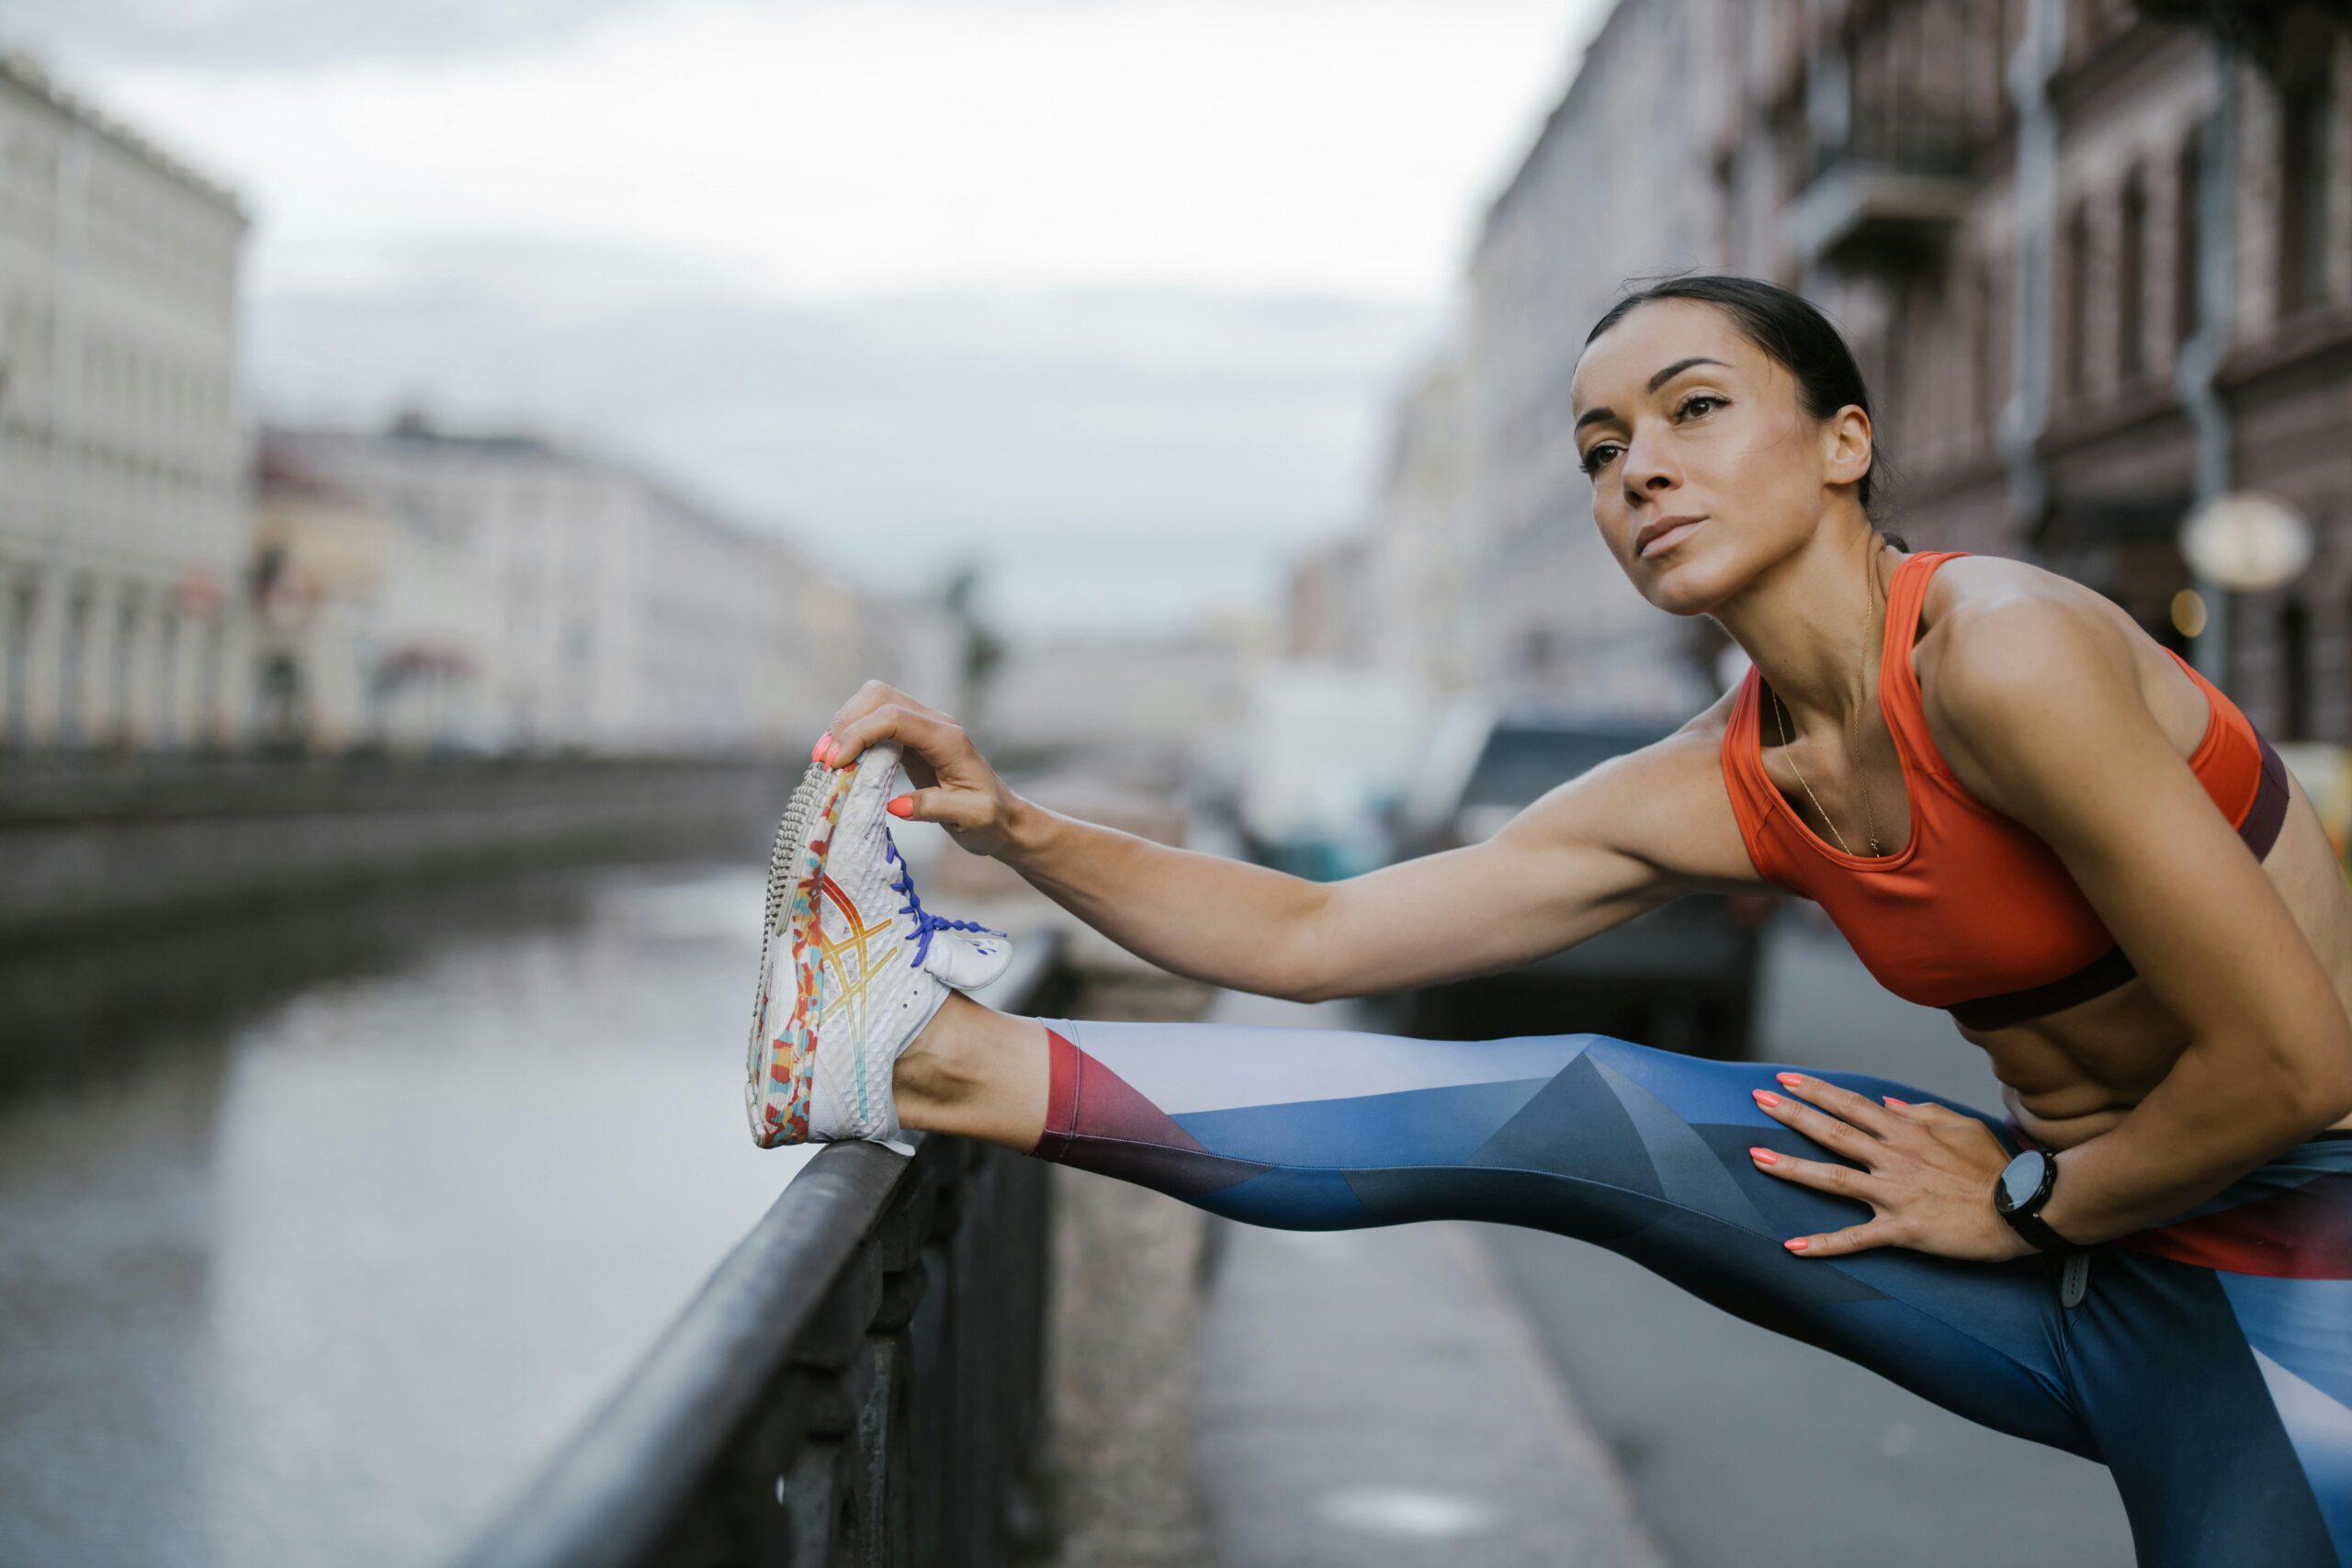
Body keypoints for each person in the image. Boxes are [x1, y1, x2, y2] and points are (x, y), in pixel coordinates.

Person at [748, 275, 2352, 1567]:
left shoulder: (2002, 651)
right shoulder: (1722, 777)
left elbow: (2294, 1066)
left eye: (1696, 411)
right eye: (1599, 450)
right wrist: (1022, 828)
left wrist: (2021, 1201)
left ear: (1845, 442)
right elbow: (1317, 938)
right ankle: (912, 1054)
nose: (1639, 467)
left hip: (2302, 1293)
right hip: (2077, 1257)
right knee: (1575, 1107)